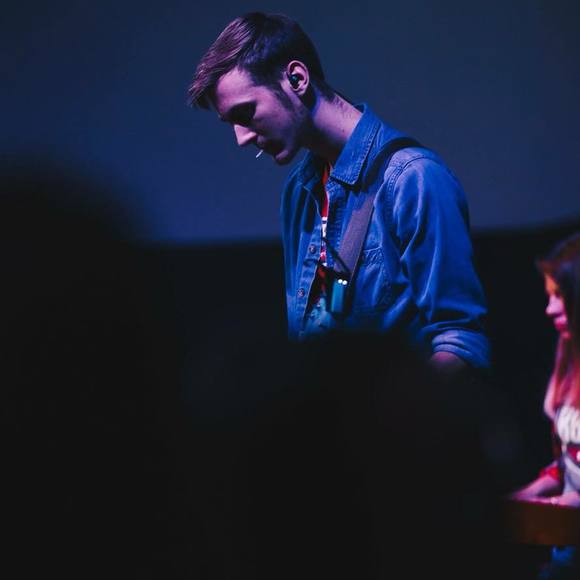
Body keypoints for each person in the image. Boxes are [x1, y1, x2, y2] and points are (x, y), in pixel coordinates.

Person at [188, 12, 489, 373]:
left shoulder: (413, 179)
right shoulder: (298, 193)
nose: (241, 138)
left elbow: (460, 339)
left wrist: (404, 407)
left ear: (297, 79)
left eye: (245, 112)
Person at [509, 232, 580, 578]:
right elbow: (568, 463)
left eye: (560, 296)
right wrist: (528, 495)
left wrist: (566, 506)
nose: (549, 308)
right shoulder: (568, 361)